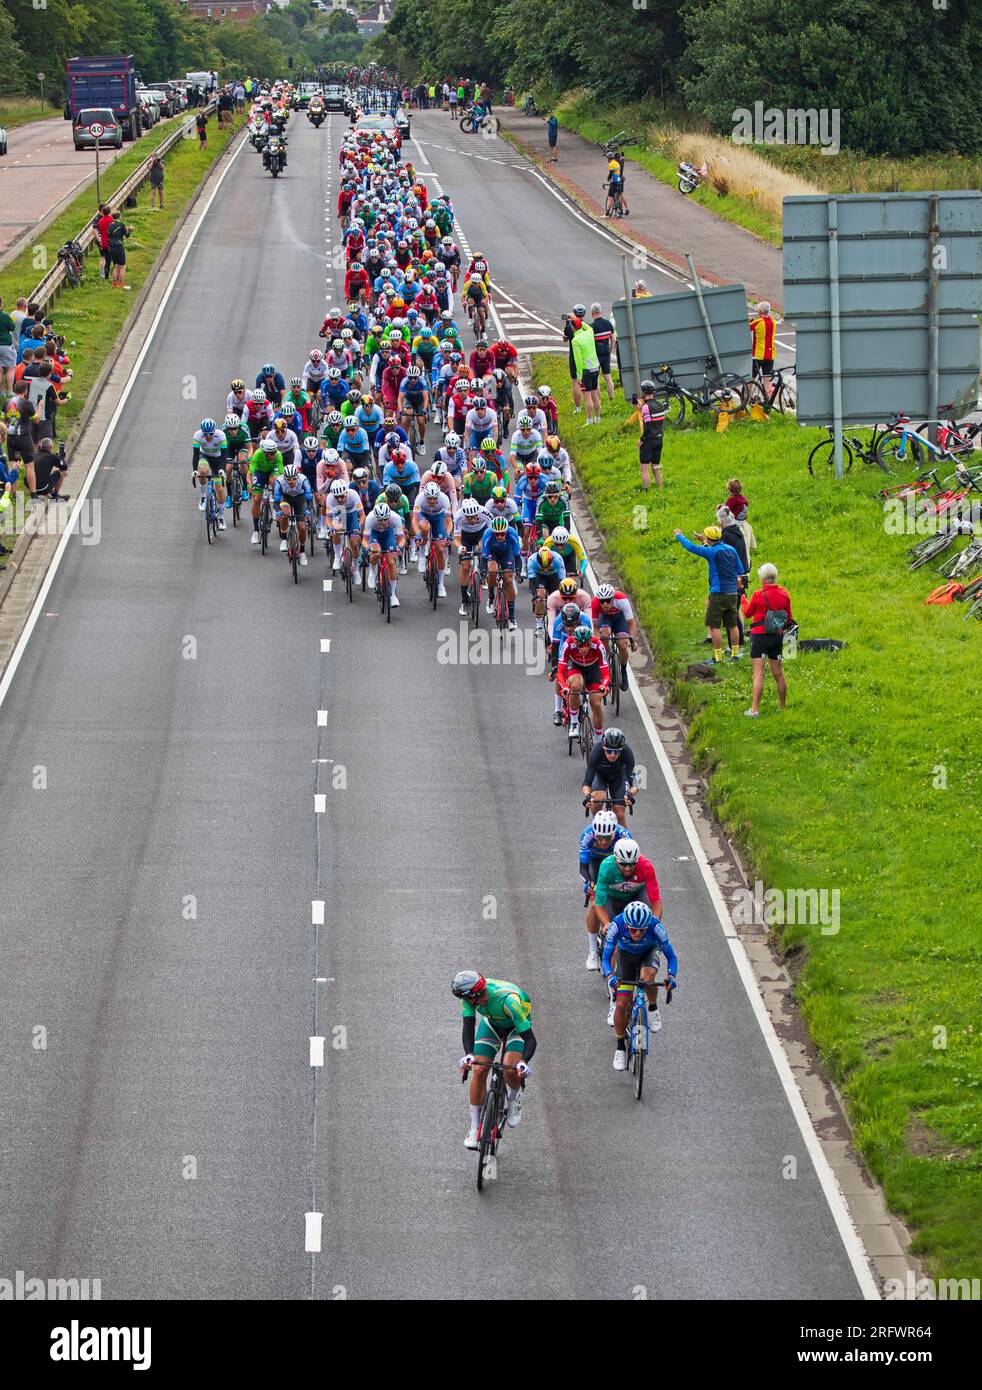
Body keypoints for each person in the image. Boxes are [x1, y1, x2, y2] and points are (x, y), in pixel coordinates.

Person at [452, 971, 535, 1150]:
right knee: (479, 1069)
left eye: (483, 993)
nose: (483, 998)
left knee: (511, 1068)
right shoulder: (467, 999)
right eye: (479, 997)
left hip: (516, 1026)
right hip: (492, 1023)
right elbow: (468, 1027)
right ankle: (474, 1128)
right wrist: (469, 1054)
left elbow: (530, 1039)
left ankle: (514, 1097)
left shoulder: (508, 1001)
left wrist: (524, 1062)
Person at [601, 902, 677, 1070]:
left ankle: (652, 1008)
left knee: (647, 977)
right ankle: (620, 1046)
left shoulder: (656, 926)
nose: (637, 933)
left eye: (641, 930)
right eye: (633, 929)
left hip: (649, 953)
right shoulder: (616, 925)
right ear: (626, 925)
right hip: (625, 957)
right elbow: (606, 959)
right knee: (621, 1004)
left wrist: (671, 976)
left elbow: (672, 957)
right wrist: (611, 976)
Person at [673, 522, 747, 663]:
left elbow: (691, 547)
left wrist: (679, 536)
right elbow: (740, 570)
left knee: (714, 626)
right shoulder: (731, 550)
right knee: (732, 625)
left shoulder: (711, 552)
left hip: (718, 594)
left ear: (710, 539)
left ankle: (718, 658)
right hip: (732, 593)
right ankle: (735, 655)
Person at [742, 562, 793, 717]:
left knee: (758, 673)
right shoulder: (784, 594)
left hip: (759, 636)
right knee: (778, 673)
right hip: (776, 636)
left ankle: (754, 709)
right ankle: (782, 706)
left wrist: (743, 598)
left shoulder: (758, 594)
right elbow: (789, 617)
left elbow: (747, 613)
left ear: (762, 579)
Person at [582, 725, 637, 826]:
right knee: (597, 799)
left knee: (619, 814)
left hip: (619, 775)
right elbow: (587, 782)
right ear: (603, 747)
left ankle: (625, 840)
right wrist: (588, 796)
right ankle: (597, 821)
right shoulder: (595, 752)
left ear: (622, 749)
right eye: (609, 751)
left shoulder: (627, 753)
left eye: (616, 752)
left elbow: (635, 784)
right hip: (600, 775)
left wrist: (630, 795)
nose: (612, 755)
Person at [636, 379, 665, 490]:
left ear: (643, 392)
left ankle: (646, 492)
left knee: (644, 468)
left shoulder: (646, 407)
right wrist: (641, 409)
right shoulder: (660, 405)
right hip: (659, 439)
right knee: (656, 467)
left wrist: (641, 440)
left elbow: (647, 427)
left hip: (649, 441)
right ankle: (660, 489)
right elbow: (657, 420)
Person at [749, 300, 776, 395]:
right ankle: (767, 402)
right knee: (767, 381)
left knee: (751, 379)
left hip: (758, 355)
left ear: (760, 311)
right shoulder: (773, 321)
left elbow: (747, 328)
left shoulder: (757, 322)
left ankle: (747, 399)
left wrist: (750, 321)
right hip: (770, 356)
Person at [590, 304, 616, 401]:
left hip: (596, 354)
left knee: (596, 377)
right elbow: (613, 339)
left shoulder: (592, 327)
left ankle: (598, 399)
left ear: (592, 313)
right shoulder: (608, 324)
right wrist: (610, 350)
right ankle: (611, 398)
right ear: (601, 312)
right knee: (608, 377)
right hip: (606, 352)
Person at [107, 211, 132, 289]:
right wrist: (130, 230)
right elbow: (126, 235)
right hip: (119, 247)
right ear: (119, 216)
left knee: (115, 266)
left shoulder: (109, 225)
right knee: (122, 266)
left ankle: (115, 284)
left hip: (111, 247)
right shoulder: (121, 225)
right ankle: (121, 284)